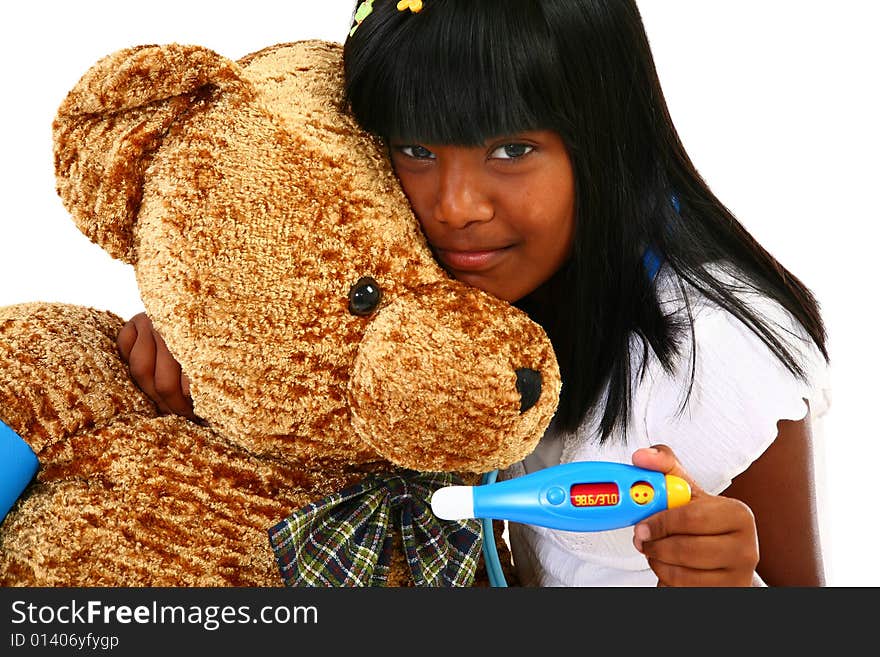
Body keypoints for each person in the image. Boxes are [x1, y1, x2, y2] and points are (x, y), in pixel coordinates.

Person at [117, 0, 831, 587]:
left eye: (511, 151)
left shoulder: (723, 356)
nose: (454, 205)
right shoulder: (421, 267)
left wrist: (734, 591)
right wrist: (204, 338)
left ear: (606, 140)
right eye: (416, 150)